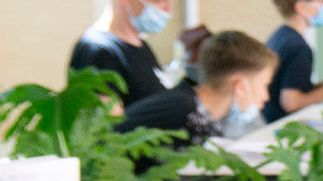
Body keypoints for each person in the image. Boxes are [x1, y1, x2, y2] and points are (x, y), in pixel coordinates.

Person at [117, 30, 277, 150]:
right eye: (265, 85)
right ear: (240, 85)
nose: (266, 96)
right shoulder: (189, 117)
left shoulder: (187, 102)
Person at [70, 0, 181, 105]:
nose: (169, 10)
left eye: (170, 0)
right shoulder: (98, 52)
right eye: (159, 0)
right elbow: (105, 116)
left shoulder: (141, 46)